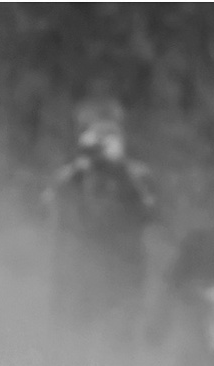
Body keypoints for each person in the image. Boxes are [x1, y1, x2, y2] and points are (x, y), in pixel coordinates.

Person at [45, 97, 158, 339]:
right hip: (80, 279)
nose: (103, 142)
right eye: (97, 134)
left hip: (126, 275)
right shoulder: (71, 176)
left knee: (121, 345)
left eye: (111, 134)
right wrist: (80, 167)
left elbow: (152, 212)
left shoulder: (137, 175)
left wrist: (121, 170)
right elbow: (52, 212)